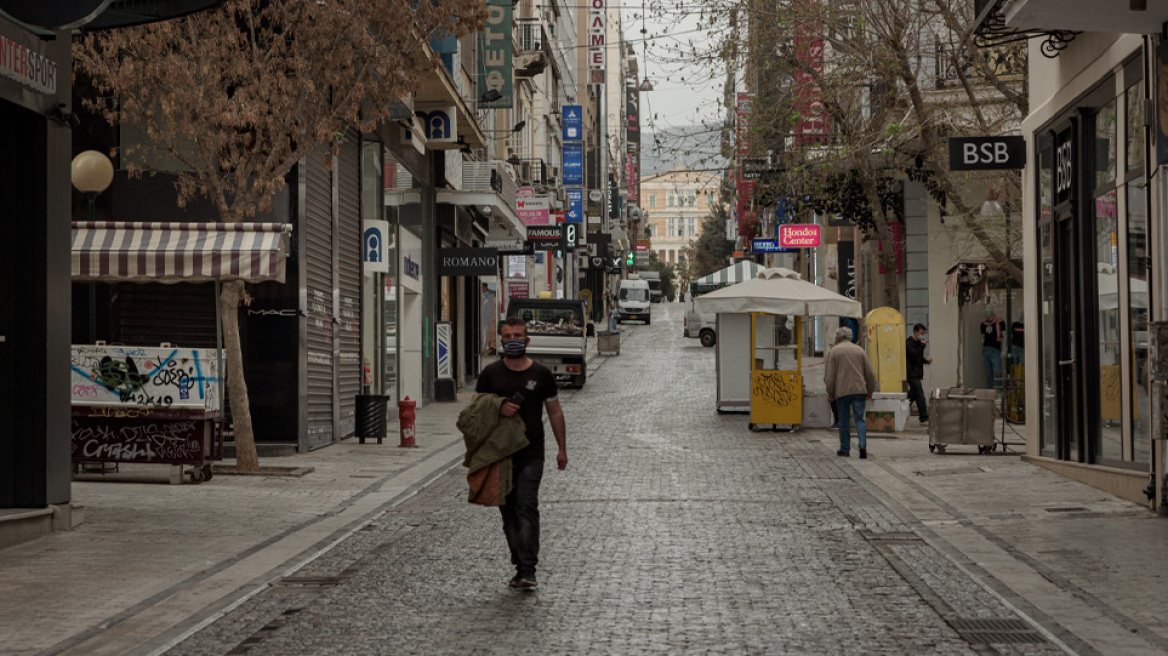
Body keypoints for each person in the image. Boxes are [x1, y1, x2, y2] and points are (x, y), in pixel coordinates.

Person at [474, 317, 567, 590]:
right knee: (508, 513)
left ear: (527, 340)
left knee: (526, 506)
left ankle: (528, 569)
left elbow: (555, 411)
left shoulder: (541, 375)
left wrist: (562, 448)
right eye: (507, 335)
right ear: (500, 341)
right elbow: (475, 412)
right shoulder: (490, 375)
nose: (512, 339)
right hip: (500, 455)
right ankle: (519, 562)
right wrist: (498, 407)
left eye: (517, 335)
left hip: (531, 454)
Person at [825, 326, 877, 459]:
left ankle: (845, 449)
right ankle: (862, 445)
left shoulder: (834, 351)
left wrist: (830, 392)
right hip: (859, 389)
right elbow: (870, 373)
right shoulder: (860, 351)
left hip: (841, 391)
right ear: (851, 337)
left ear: (837, 338)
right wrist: (870, 390)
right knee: (860, 419)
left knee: (843, 420)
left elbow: (830, 376)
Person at [905, 323, 931, 425]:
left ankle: (902, 407)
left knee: (913, 394)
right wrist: (922, 346)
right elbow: (913, 355)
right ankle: (924, 417)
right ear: (916, 332)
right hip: (911, 373)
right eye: (921, 333)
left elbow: (918, 358)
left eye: (924, 333)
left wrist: (925, 361)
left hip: (917, 372)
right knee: (920, 394)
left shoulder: (919, 343)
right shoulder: (909, 343)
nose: (923, 335)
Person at [981, 307, 1006, 390]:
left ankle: (999, 391)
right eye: (986, 311)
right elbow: (982, 338)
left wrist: (1004, 350)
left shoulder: (1000, 322)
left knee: (998, 372)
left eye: (989, 311)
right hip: (986, 349)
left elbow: (1005, 337)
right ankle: (991, 390)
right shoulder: (983, 324)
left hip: (995, 350)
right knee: (988, 373)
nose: (987, 313)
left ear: (992, 312)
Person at [480, 282, 497, 355]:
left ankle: (483, 348)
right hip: (481, 317)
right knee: (481, 332)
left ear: (486, 288)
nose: (482, 289)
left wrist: (493, 316)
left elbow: (493, 307)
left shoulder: (490, 296)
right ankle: (483, 347)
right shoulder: (480, 296)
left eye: (483, 287)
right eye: (481, 287)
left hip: (488, 317)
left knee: (486, 332)